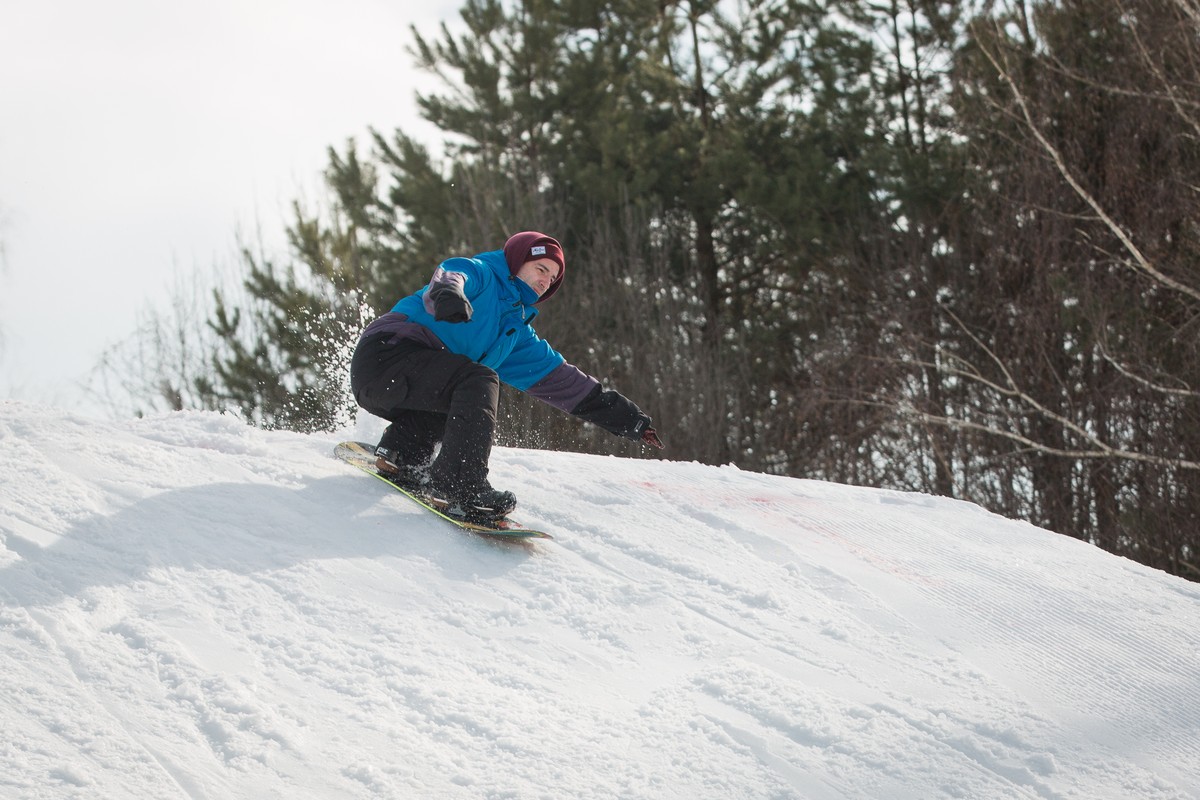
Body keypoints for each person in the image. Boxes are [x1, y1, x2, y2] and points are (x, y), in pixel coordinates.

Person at [350, 231, 664, 519]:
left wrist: (628, 419)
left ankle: (403, 454)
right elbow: (450, 275)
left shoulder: (515, 333)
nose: (545, 281)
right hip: (384, 361)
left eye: (552, 279)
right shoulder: (484, 274)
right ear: (516, 263)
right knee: (479, 380)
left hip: (404, 389)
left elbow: (566, 383)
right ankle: (462, 487)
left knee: (465, 396)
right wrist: (449, 296)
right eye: (541, 269)